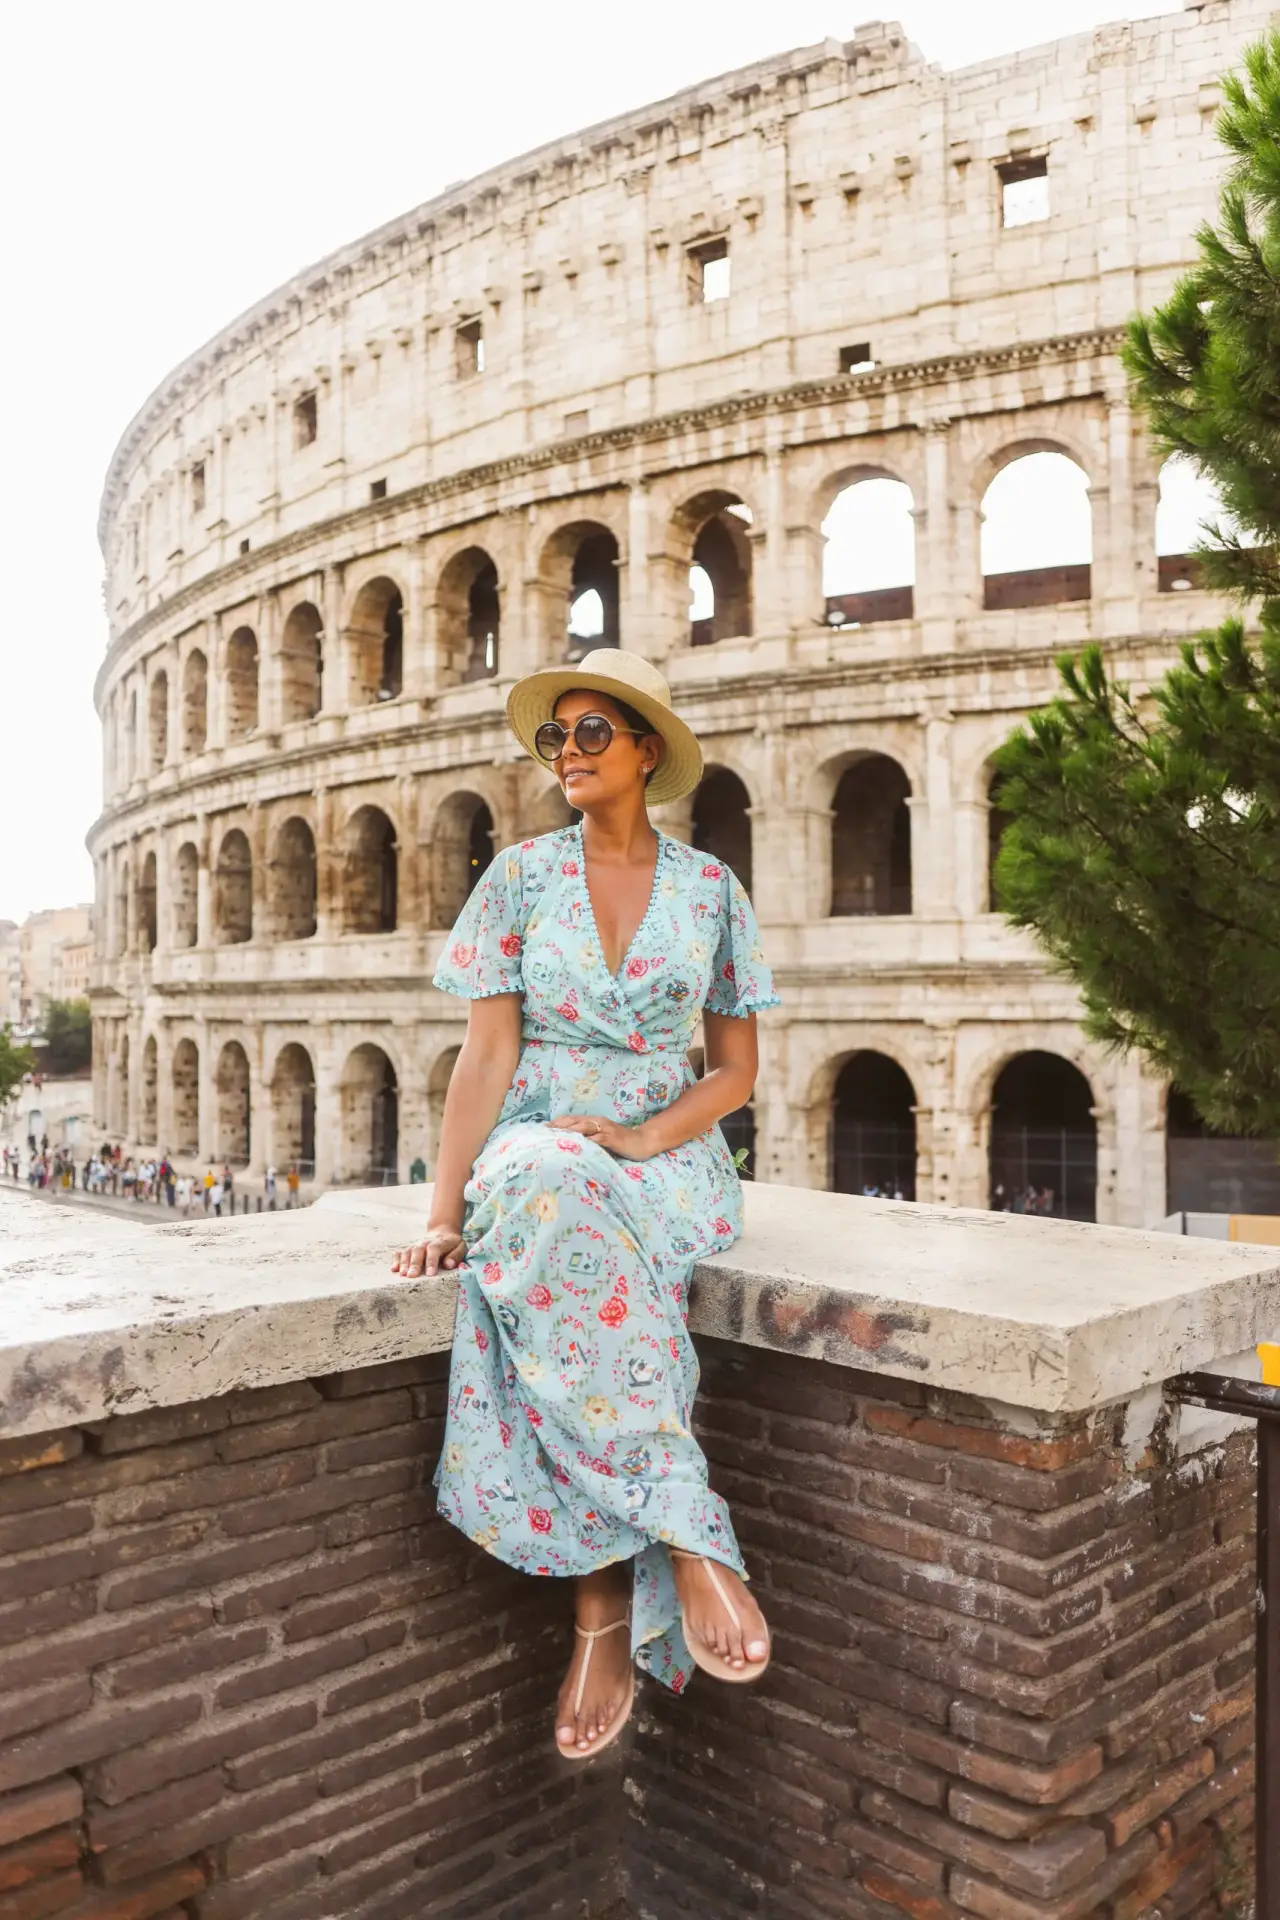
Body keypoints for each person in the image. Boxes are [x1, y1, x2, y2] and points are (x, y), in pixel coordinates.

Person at [390, 648, 779, 1761]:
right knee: (554, 1191)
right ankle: (686, 1536)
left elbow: (735, 1070)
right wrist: (442, 1211)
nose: (566, 751)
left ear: (647, 751)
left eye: (590, 732)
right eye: (552, 737)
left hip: (664, 1155)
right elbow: (484, 1057)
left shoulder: (711, 889)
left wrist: (648, 1135)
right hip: (539, 1141)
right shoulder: (518, 875)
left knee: (558, 1256)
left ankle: (603, 1610)